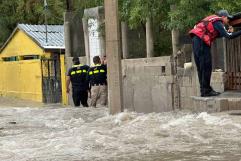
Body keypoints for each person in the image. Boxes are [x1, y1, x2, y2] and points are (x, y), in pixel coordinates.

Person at [189, 10, 241, 97]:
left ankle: (204, 90)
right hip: (201, 42)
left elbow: (220, 34)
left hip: (196, 41)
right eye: (228, 18)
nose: (228, 21)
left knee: (201, 67)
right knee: (206, 66)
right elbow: (229, 37)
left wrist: (230, 32)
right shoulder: (218, 21)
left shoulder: (212, 22)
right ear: (223, 17)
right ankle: (206, 91)